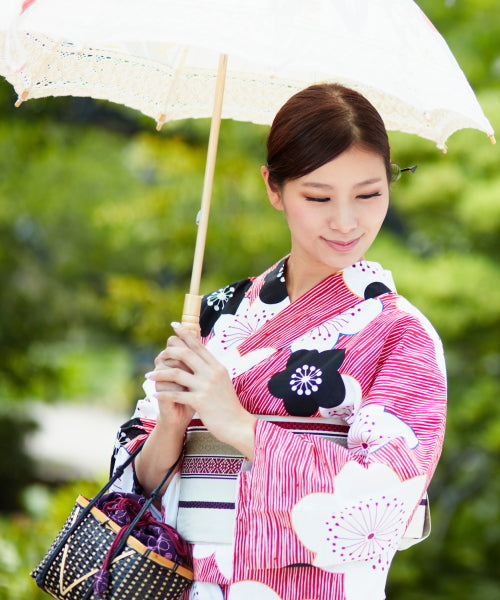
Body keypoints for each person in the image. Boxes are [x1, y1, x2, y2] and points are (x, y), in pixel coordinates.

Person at [111, 83, 447, 600]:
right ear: (274, 187)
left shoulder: (400, 332)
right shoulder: (218, 314)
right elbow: (133, 484)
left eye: (369, 194)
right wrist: (173, 426)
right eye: (317, 197)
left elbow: (386, 499)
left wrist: (240, 426)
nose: (346, 221)